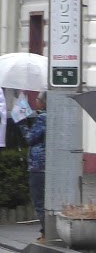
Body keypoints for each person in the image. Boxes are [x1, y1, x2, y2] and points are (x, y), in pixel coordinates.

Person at [18, 93, 45, 242]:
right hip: (46, 165)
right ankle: (45, 232)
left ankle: (46, 232)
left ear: (43, 102)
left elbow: (30, 138)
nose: (36, 102)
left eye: (38, 100)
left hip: (38, 166)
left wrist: (21, 123)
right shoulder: (48, 117)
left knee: (38, 201)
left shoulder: (42, 118)